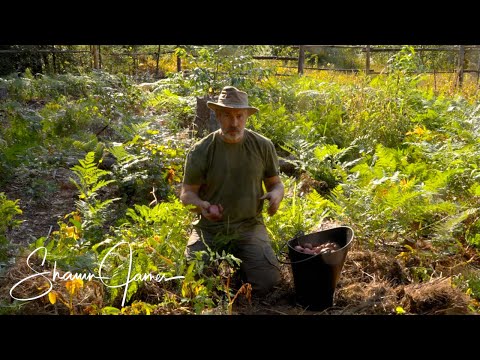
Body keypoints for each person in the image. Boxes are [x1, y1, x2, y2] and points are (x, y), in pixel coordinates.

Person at [180, 86, 285, 296]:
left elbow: (276, 184)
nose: (234, 123)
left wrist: (275, 195)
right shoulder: (201, 149)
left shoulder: (263, 145)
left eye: (239, 116)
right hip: (209, 229)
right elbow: (186, 194)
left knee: (268, 283)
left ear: (247, 116)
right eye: (227, 116)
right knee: (192, 281)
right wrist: (202, 206)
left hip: (249, 226)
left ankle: (245, 267)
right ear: (217, 115)